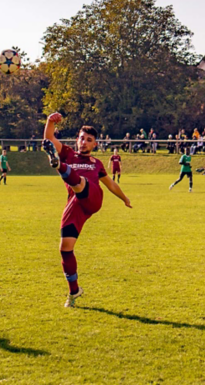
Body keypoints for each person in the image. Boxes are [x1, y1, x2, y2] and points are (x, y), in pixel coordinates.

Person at [41, 113, 132, 307]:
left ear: (94, 145)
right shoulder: (68, 153)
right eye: (82, 138)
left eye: (89, 140)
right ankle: (74, 292)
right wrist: (50, 121)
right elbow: (48, 139)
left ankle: (58, 166)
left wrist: (124, 198)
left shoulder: (96, 164)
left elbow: (111, 185)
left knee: (81, 183)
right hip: (75, 205)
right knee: (65, 248)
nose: (84, 142)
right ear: (77, 140)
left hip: (93, 198)